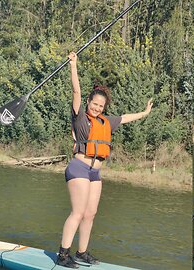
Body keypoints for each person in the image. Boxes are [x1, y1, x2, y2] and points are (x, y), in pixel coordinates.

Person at [57, 52, 153, 268]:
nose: (97, 108)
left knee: (90, 214)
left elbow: (126, 118)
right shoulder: (80, 116)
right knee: (78, 212)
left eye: (101, 106)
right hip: (79, 168)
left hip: (95, 172)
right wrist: (74, 66)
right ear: (89, 102)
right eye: (94, 104)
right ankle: (63, 255)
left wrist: (145, 113)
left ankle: (82, 252)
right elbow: (76, 90)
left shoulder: (106, 121)